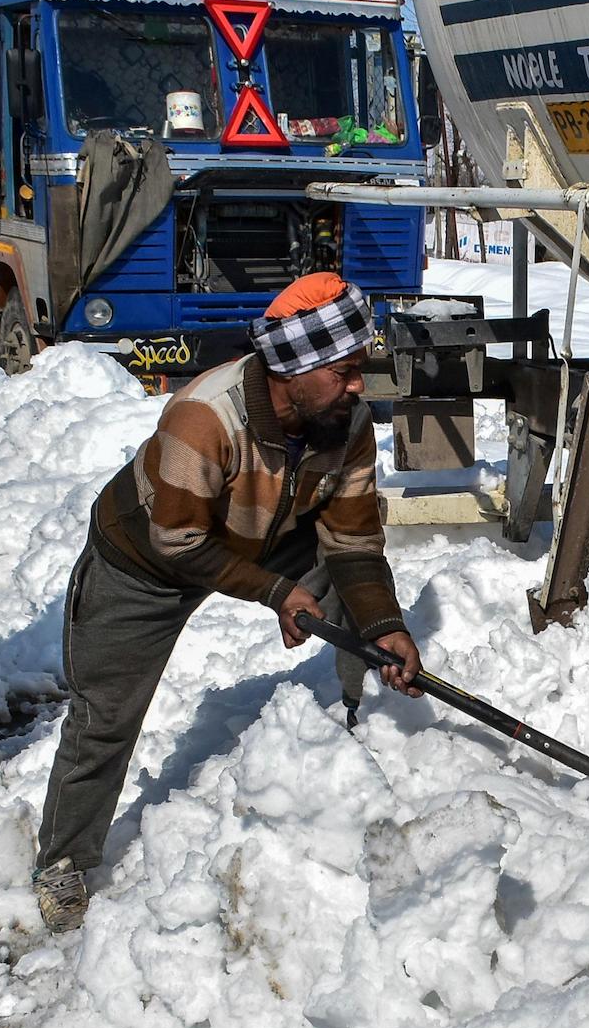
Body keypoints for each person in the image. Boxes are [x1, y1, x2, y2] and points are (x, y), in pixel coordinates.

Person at [29, 273, 420, 929]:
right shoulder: (204, 415)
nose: (360, 385)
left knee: (354, 604)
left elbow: (353, 542)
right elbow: (179, 540)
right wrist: (276, 593)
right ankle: (63, 863)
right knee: (106, 715)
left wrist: (386, 626)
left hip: (265, 532)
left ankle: (361, 736)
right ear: (294, 367)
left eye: (363, 368)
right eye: (346, 370)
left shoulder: (345, 422)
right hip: (147, 559)